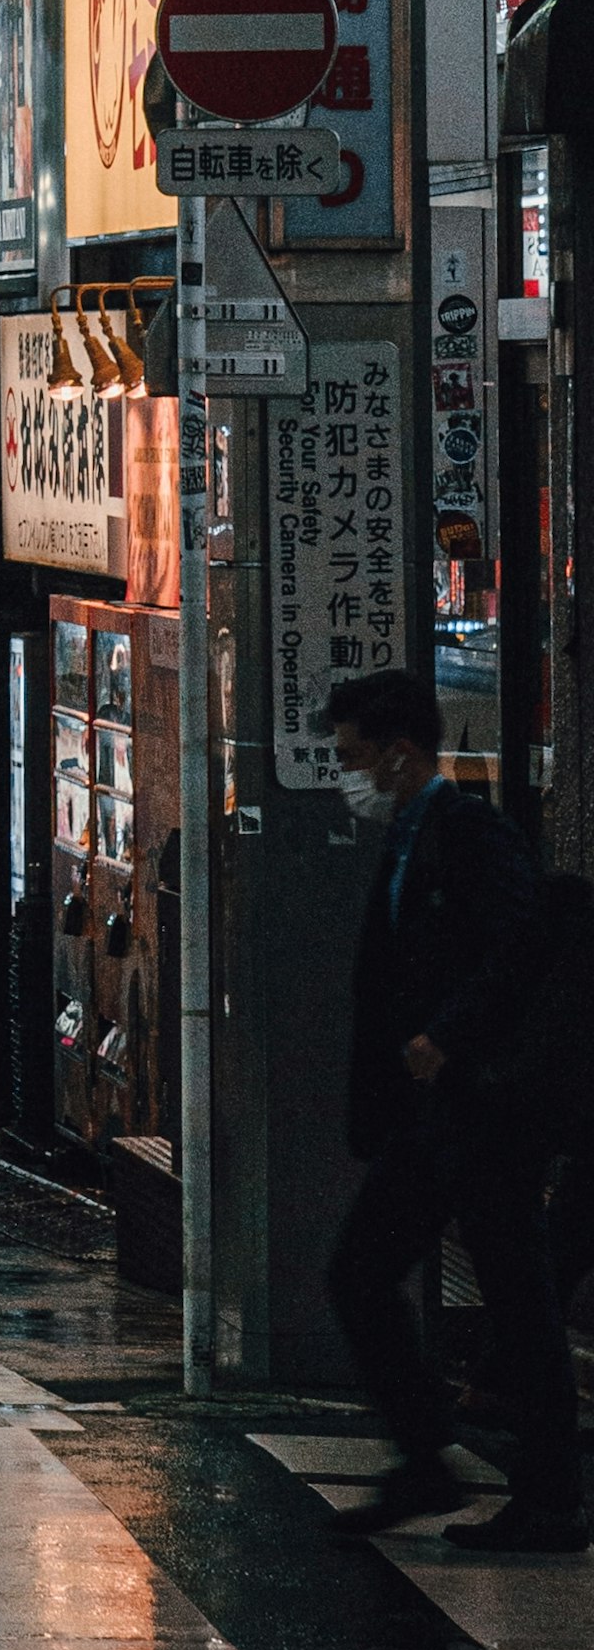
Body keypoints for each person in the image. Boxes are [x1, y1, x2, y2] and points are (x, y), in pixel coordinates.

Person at [317, 662, 580, 1551]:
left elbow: (522, 942)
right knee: (362, 1270)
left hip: (485, 1110)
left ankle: (549, 1496)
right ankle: (429, 1453)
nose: (347, 774)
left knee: (518, 1293)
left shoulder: (469, 830)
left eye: (355, 756)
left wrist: (450, 1034)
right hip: (434, 1120)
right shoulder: (405, 834)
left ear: (399, 753)